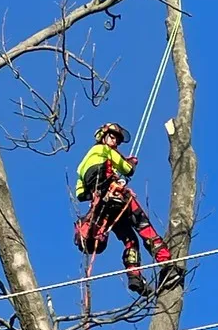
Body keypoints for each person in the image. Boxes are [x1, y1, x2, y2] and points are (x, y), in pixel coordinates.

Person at [73, 122, 172, 297]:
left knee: (130, 241)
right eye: (113, 137)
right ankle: (165, 261)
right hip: (119, 198)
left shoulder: (81, 165)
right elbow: (128, 169)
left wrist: (97, 194)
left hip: (103, 209)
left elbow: (80, 194)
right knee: (143, 225)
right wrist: (131, 162)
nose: (116, 142)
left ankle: (135, 278)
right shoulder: (105, 151)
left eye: (117, 139)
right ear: (103, 137)